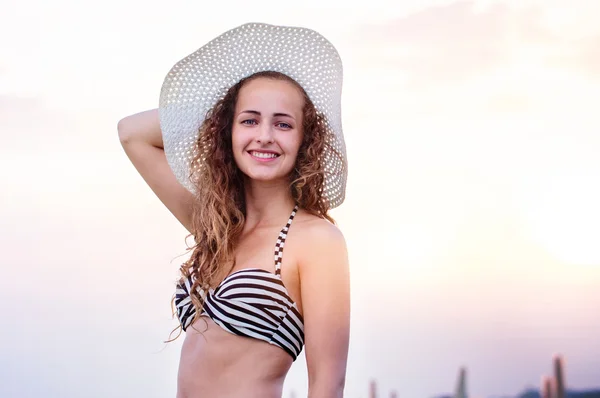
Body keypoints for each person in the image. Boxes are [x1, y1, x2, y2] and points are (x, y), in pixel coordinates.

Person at [118, 23, 350, 398]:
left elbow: (327, 383)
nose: (264, 136)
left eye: (283, 123)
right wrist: (223, 111)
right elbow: (132, 133)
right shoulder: (218, 226)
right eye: (250, 120)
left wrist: (243, 110)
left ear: (306, 138)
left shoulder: (316, 240)